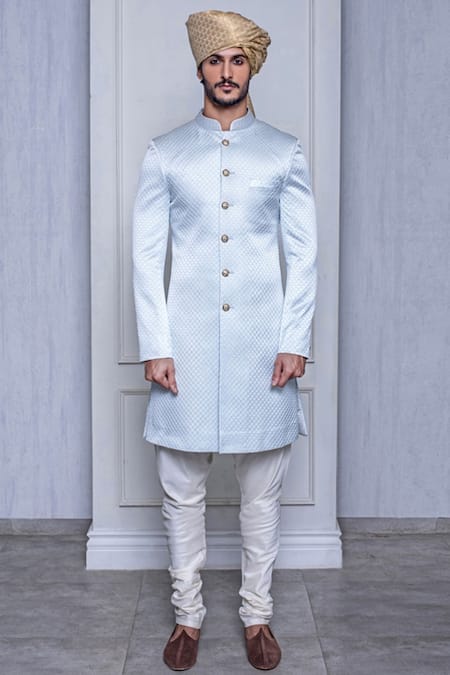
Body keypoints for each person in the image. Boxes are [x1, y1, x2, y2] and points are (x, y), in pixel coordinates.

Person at [132, 9, 318, 671]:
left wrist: (294, 339)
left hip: (264, 348)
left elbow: (305, 255)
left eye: (238, 60)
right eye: (216, 60)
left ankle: (257, 616)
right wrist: (156, 345)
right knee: (180, 489)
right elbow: (145, 256)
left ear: (251, 68)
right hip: (183, 349)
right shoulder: (165, 152)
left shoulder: (285, 152)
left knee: (262, 493)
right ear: (200, 69)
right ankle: (187, 617)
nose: (227, 71)